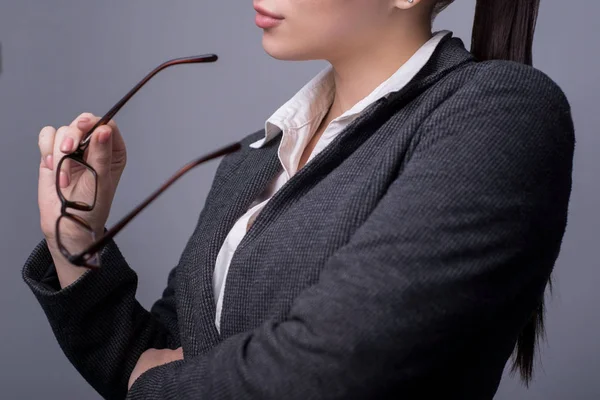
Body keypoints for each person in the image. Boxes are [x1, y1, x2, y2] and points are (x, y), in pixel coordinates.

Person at [24, 0, 575, 399]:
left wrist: (150, 380)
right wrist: (78, 240)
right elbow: (157, 351)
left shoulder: (499, 111)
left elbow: (334, 366)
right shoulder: (254, 160)